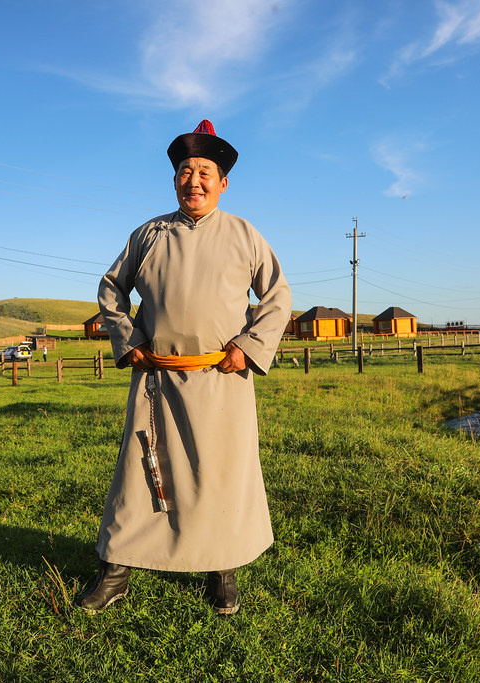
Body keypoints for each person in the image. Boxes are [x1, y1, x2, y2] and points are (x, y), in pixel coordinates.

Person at [74, 120, 292, 615]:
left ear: (223, 182)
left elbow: (278, 297)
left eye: (205, 172)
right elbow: (112, 289)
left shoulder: (245, 234)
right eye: (185, 171)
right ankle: (117, 570)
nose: (194, 180)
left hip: (223, 378)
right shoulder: (148, 234)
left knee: (221, 475)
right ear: (175, 179)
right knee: (139, 475)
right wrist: (128, 339)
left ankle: (223, 571)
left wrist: (249, 344)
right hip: (157, 379)